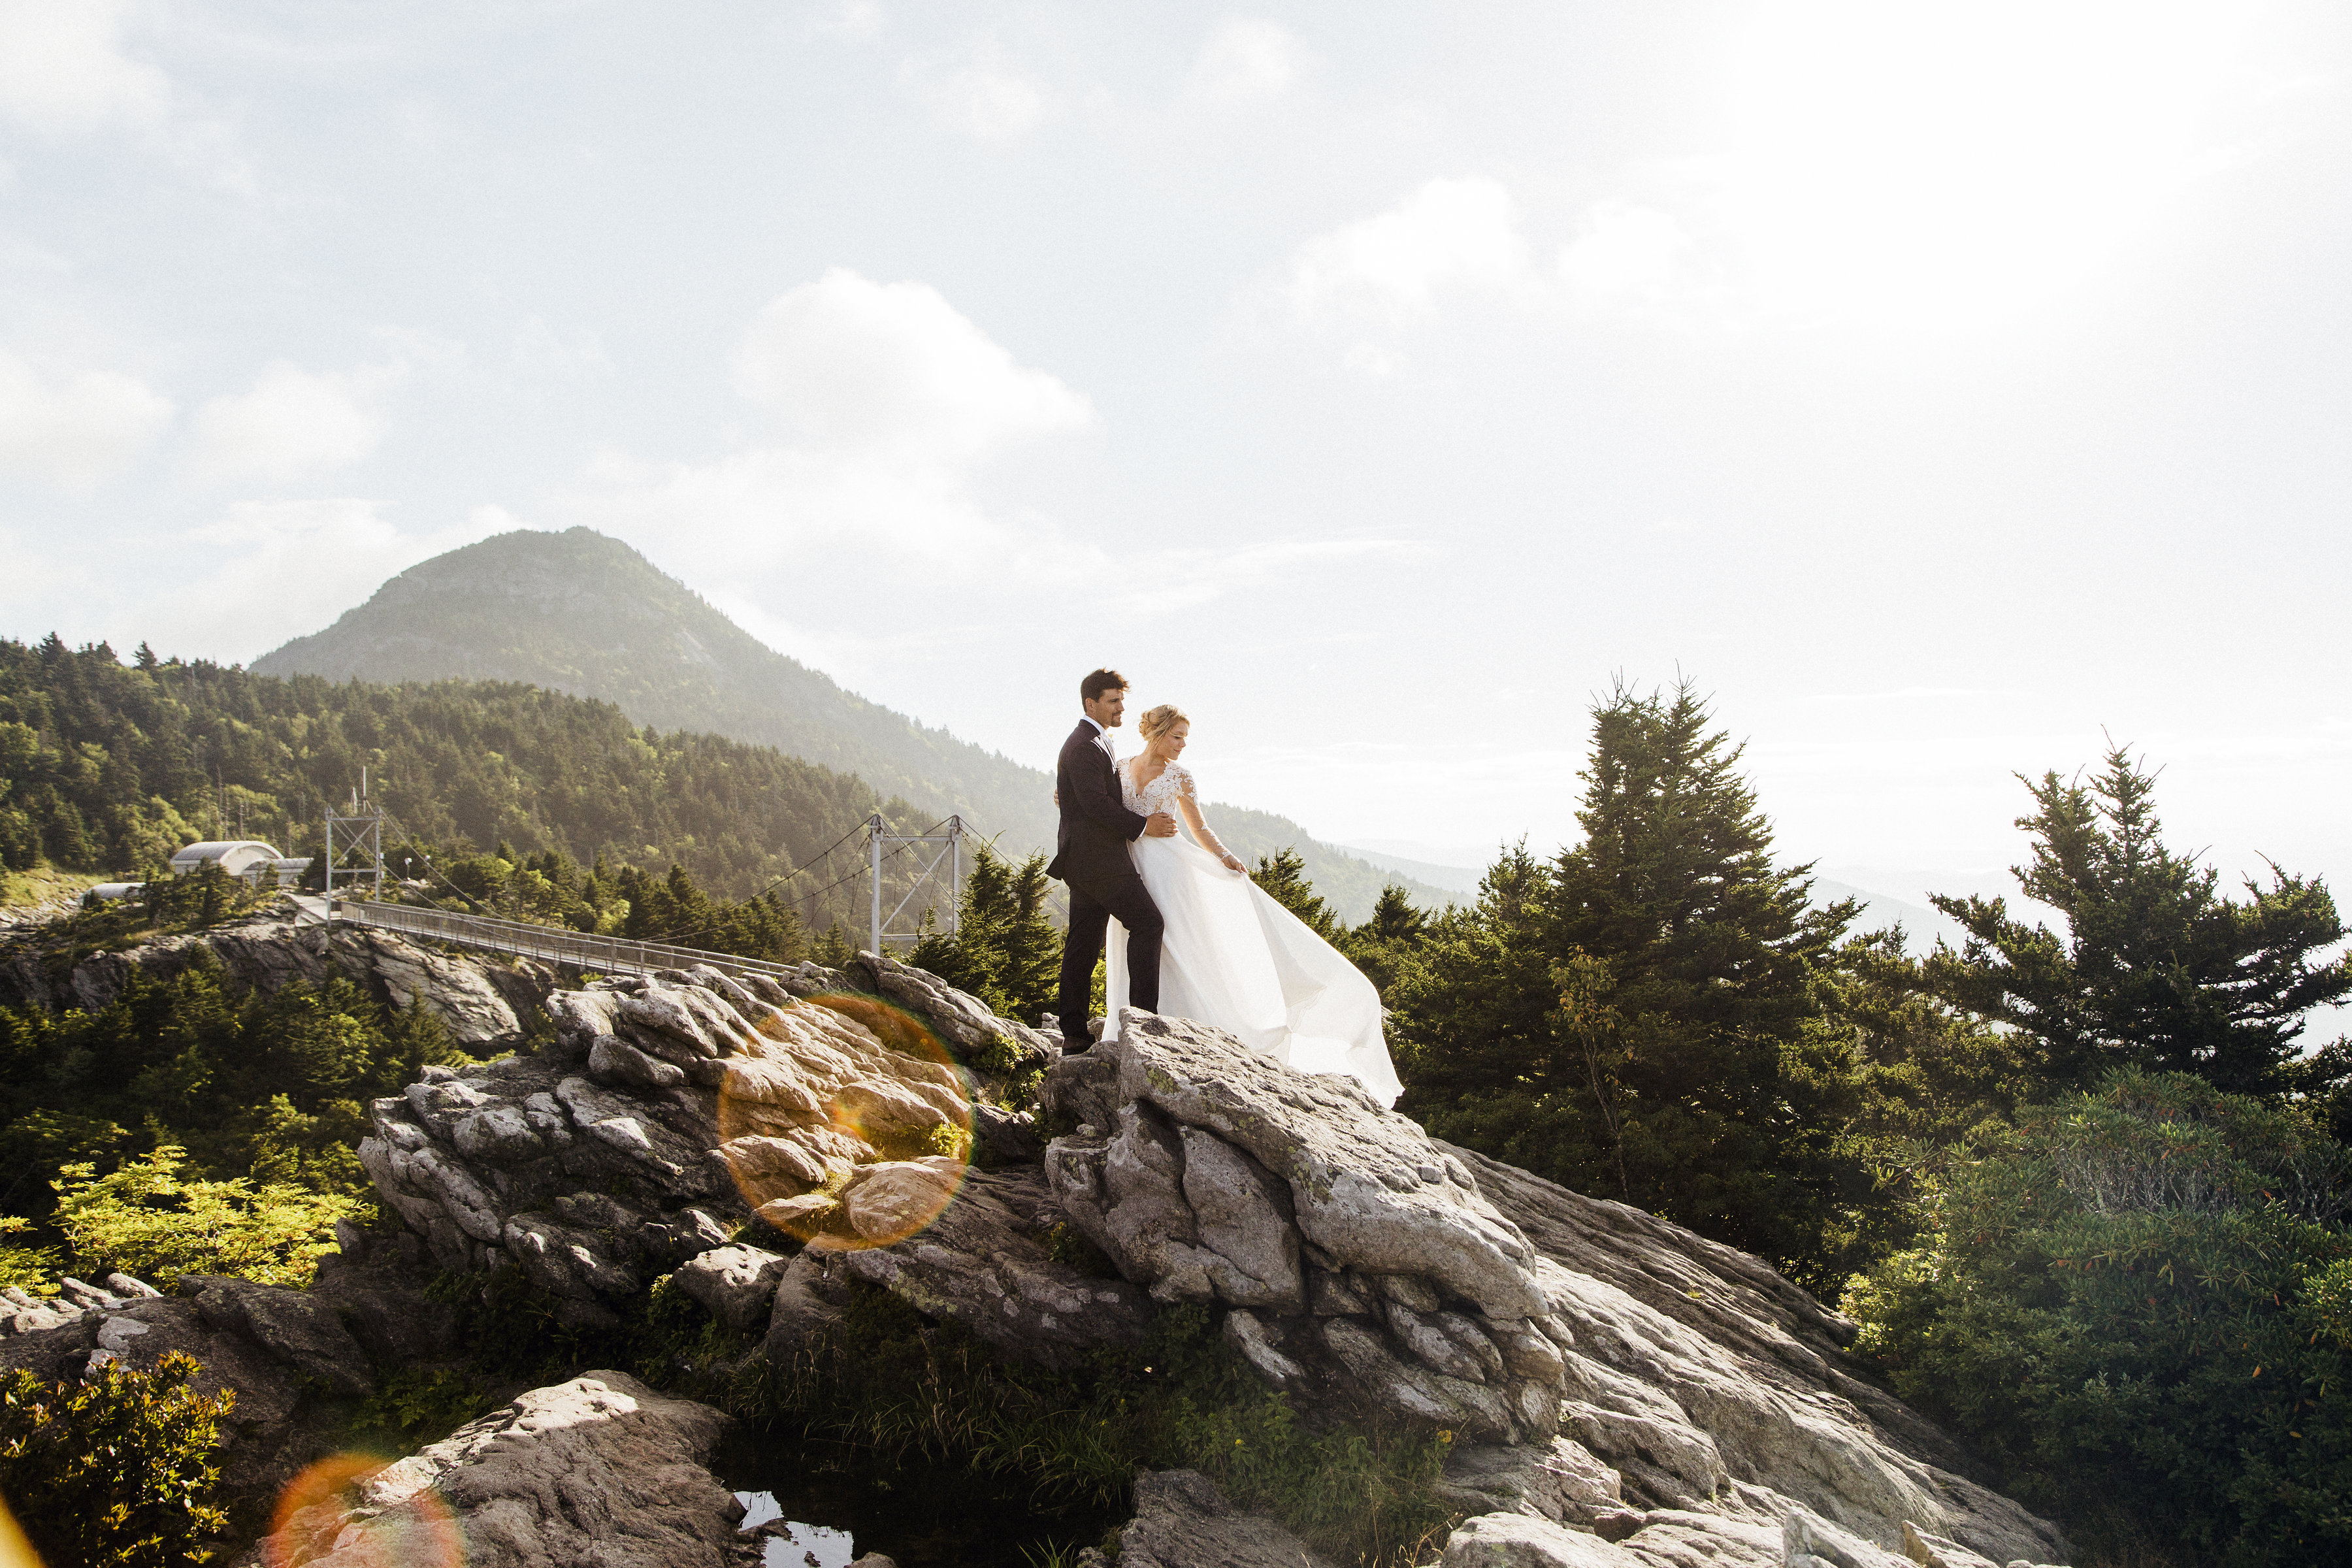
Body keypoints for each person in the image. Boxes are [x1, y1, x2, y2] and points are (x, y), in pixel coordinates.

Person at [1103, 703, 1403, 1107]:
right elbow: (1099, 806)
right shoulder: (1119, 767)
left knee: (1178, 947)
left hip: (1172, 872)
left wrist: (1225, 856)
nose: (1182, 746)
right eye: (1177, 737)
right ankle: (1127, 1026)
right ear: (1156, 733)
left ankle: (1178, 1028)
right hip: (1128, 868)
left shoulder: (1180, 778)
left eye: (1185, 739)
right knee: (1130, 943)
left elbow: (1199, 827)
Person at [1047, 669, 1177, 1054]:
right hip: (1099, 859)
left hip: (1085, 859)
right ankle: (1142, 1022)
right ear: (1092, 703)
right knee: (1149, 923)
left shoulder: (1091, 741)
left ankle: (1073, 1032)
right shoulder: (1086, 744)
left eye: (1122, 700)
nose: (1121, 707)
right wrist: (1144, 825)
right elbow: (1095, 804)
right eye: (1114, 700)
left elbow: (1083, 797)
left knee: (1083, 945)